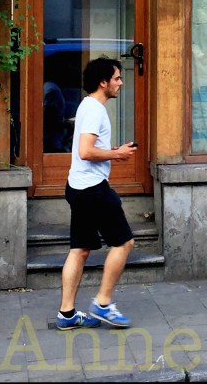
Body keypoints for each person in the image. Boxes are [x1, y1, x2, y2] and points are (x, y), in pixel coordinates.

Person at [55, 56, 137, 330]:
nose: (121, 83)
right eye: (117, 78)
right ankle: (102, 303)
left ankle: (67, 314)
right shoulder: (95, 110)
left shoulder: (88, 105)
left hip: (78, 187)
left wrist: (111, 151)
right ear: (103, 82)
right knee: (124, 243)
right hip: (93, 189)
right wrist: (117, 154)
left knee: (79, 249)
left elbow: (88, 148)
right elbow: (85, 151)